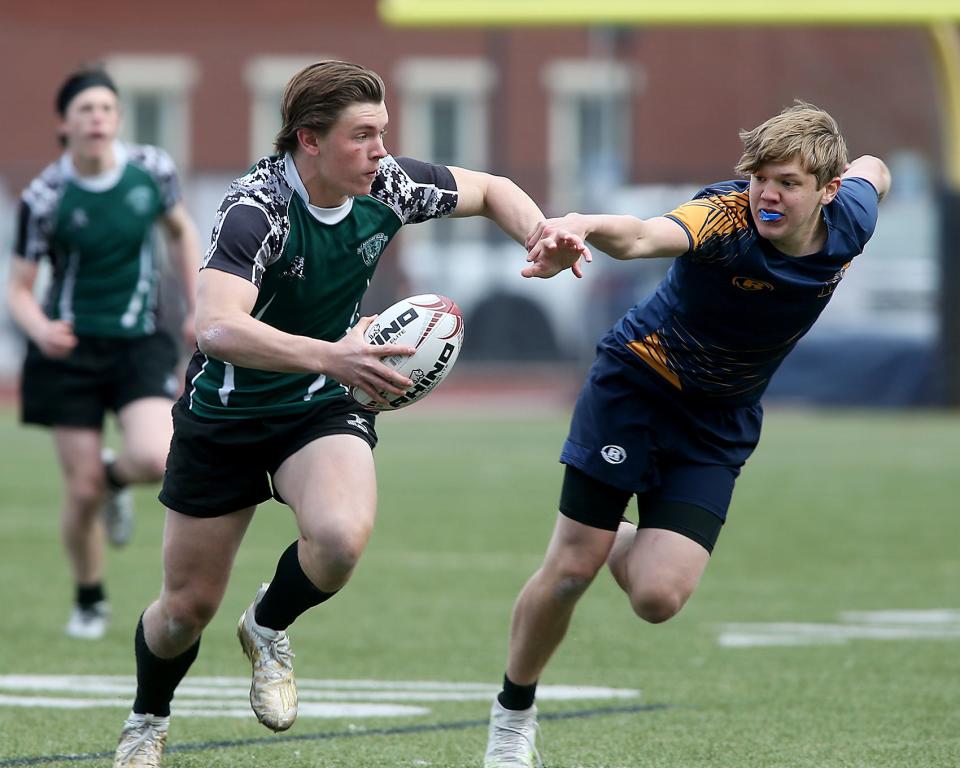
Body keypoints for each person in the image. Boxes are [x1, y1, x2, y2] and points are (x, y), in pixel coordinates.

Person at [110, 60, 578, 767]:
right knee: (183, 611)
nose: (381, 151)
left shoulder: (386, 184)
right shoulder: (256, 207)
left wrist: (539, 235)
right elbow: (216, 328)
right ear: (309, 140)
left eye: (383, 133)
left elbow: (491, 189)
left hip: (318, 406)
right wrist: (332, 354)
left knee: (339, 539)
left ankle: (267, 626)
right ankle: (147, 721)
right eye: (363, 136)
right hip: (227, 416)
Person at [482, 102, 891, 767]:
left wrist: (869, 170)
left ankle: (600, 533)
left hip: (720, 419)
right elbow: (643, 236)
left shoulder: (853, 216)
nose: (768, 194)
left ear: (827, 189)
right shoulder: (726, 219)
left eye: (787, 181)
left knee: (658, 597)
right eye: (760, 177)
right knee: (569, 574)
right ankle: (511, 718)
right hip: (637, 385)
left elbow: (876, 169)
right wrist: (580, 225)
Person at [7, 66, 201, 641]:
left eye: (106, 109)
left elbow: (182, 232)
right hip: (68, 352)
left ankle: (117, 481)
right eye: (85, 110)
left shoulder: (152, 170)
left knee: (155, 460)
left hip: (138, 341)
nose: (97, 118)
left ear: (117, 119)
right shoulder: (45, 195)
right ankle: (89, 598)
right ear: (63, 123)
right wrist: (40, 330)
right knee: (80, 487)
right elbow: (18, 289)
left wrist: (198, 305)